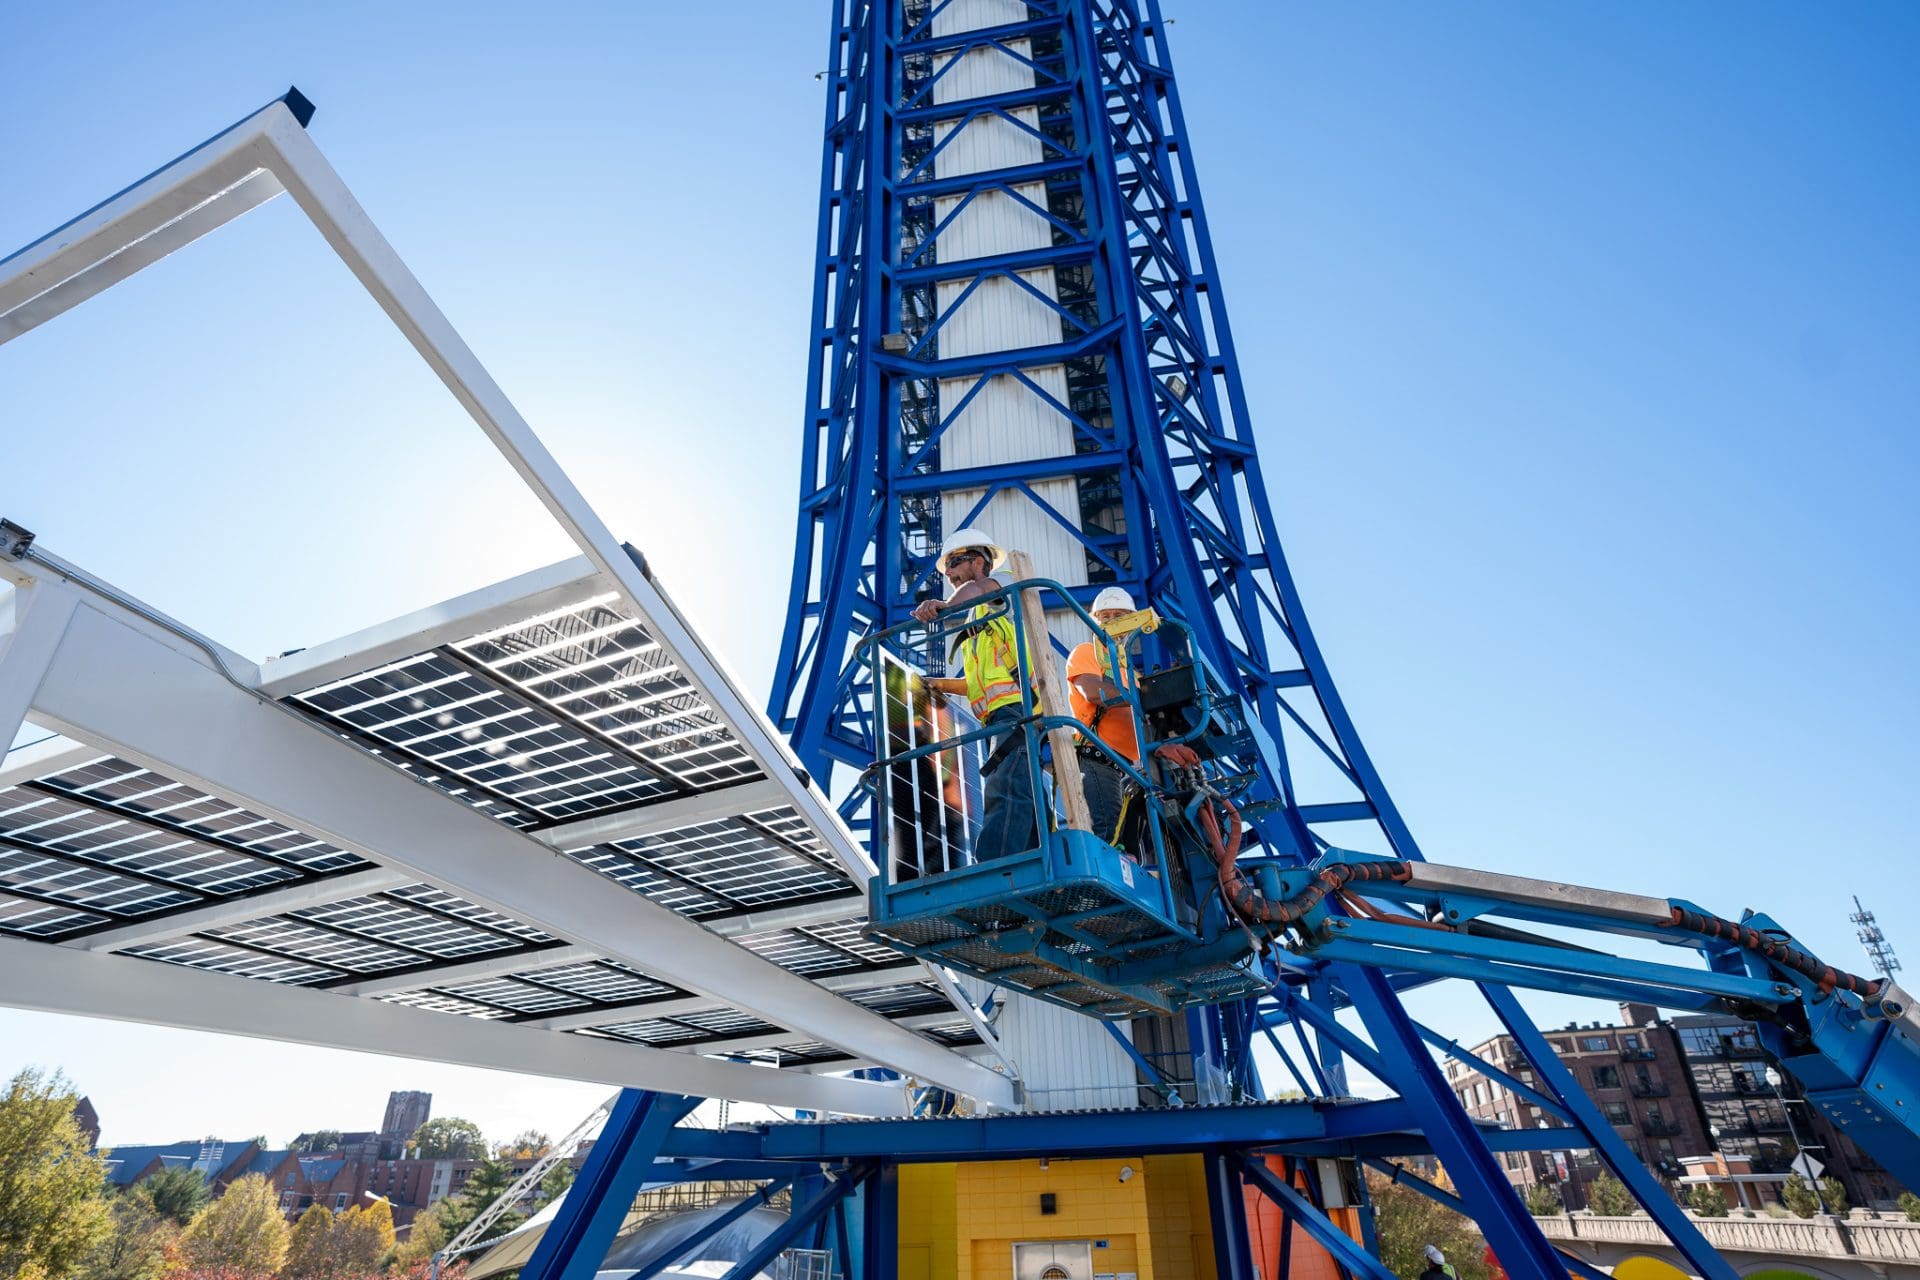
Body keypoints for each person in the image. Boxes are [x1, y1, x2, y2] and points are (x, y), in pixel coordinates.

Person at [913, 526, 1038, 861]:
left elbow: (978, 587)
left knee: (1007, 789)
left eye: (955, 561)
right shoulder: (978, 618)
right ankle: (1030, 866)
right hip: (1002, 715)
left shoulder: (1005, 583)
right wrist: (942, 686)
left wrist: (943, 606)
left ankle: (995, 872)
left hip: (1018, 711)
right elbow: (979, 683)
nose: (949, 572)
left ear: (980, 559)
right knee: (1020, 791)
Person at [1065, 586, 1145, 848]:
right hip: (1100, 759)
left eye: (1119, 615)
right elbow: (1092, 691)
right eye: (1105, 615)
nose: (1111, 621)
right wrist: (1142, 697)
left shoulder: (1130, 673)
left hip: (1131, 769)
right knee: (1107, 834)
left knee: (1130, 845)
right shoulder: (1087, 653)